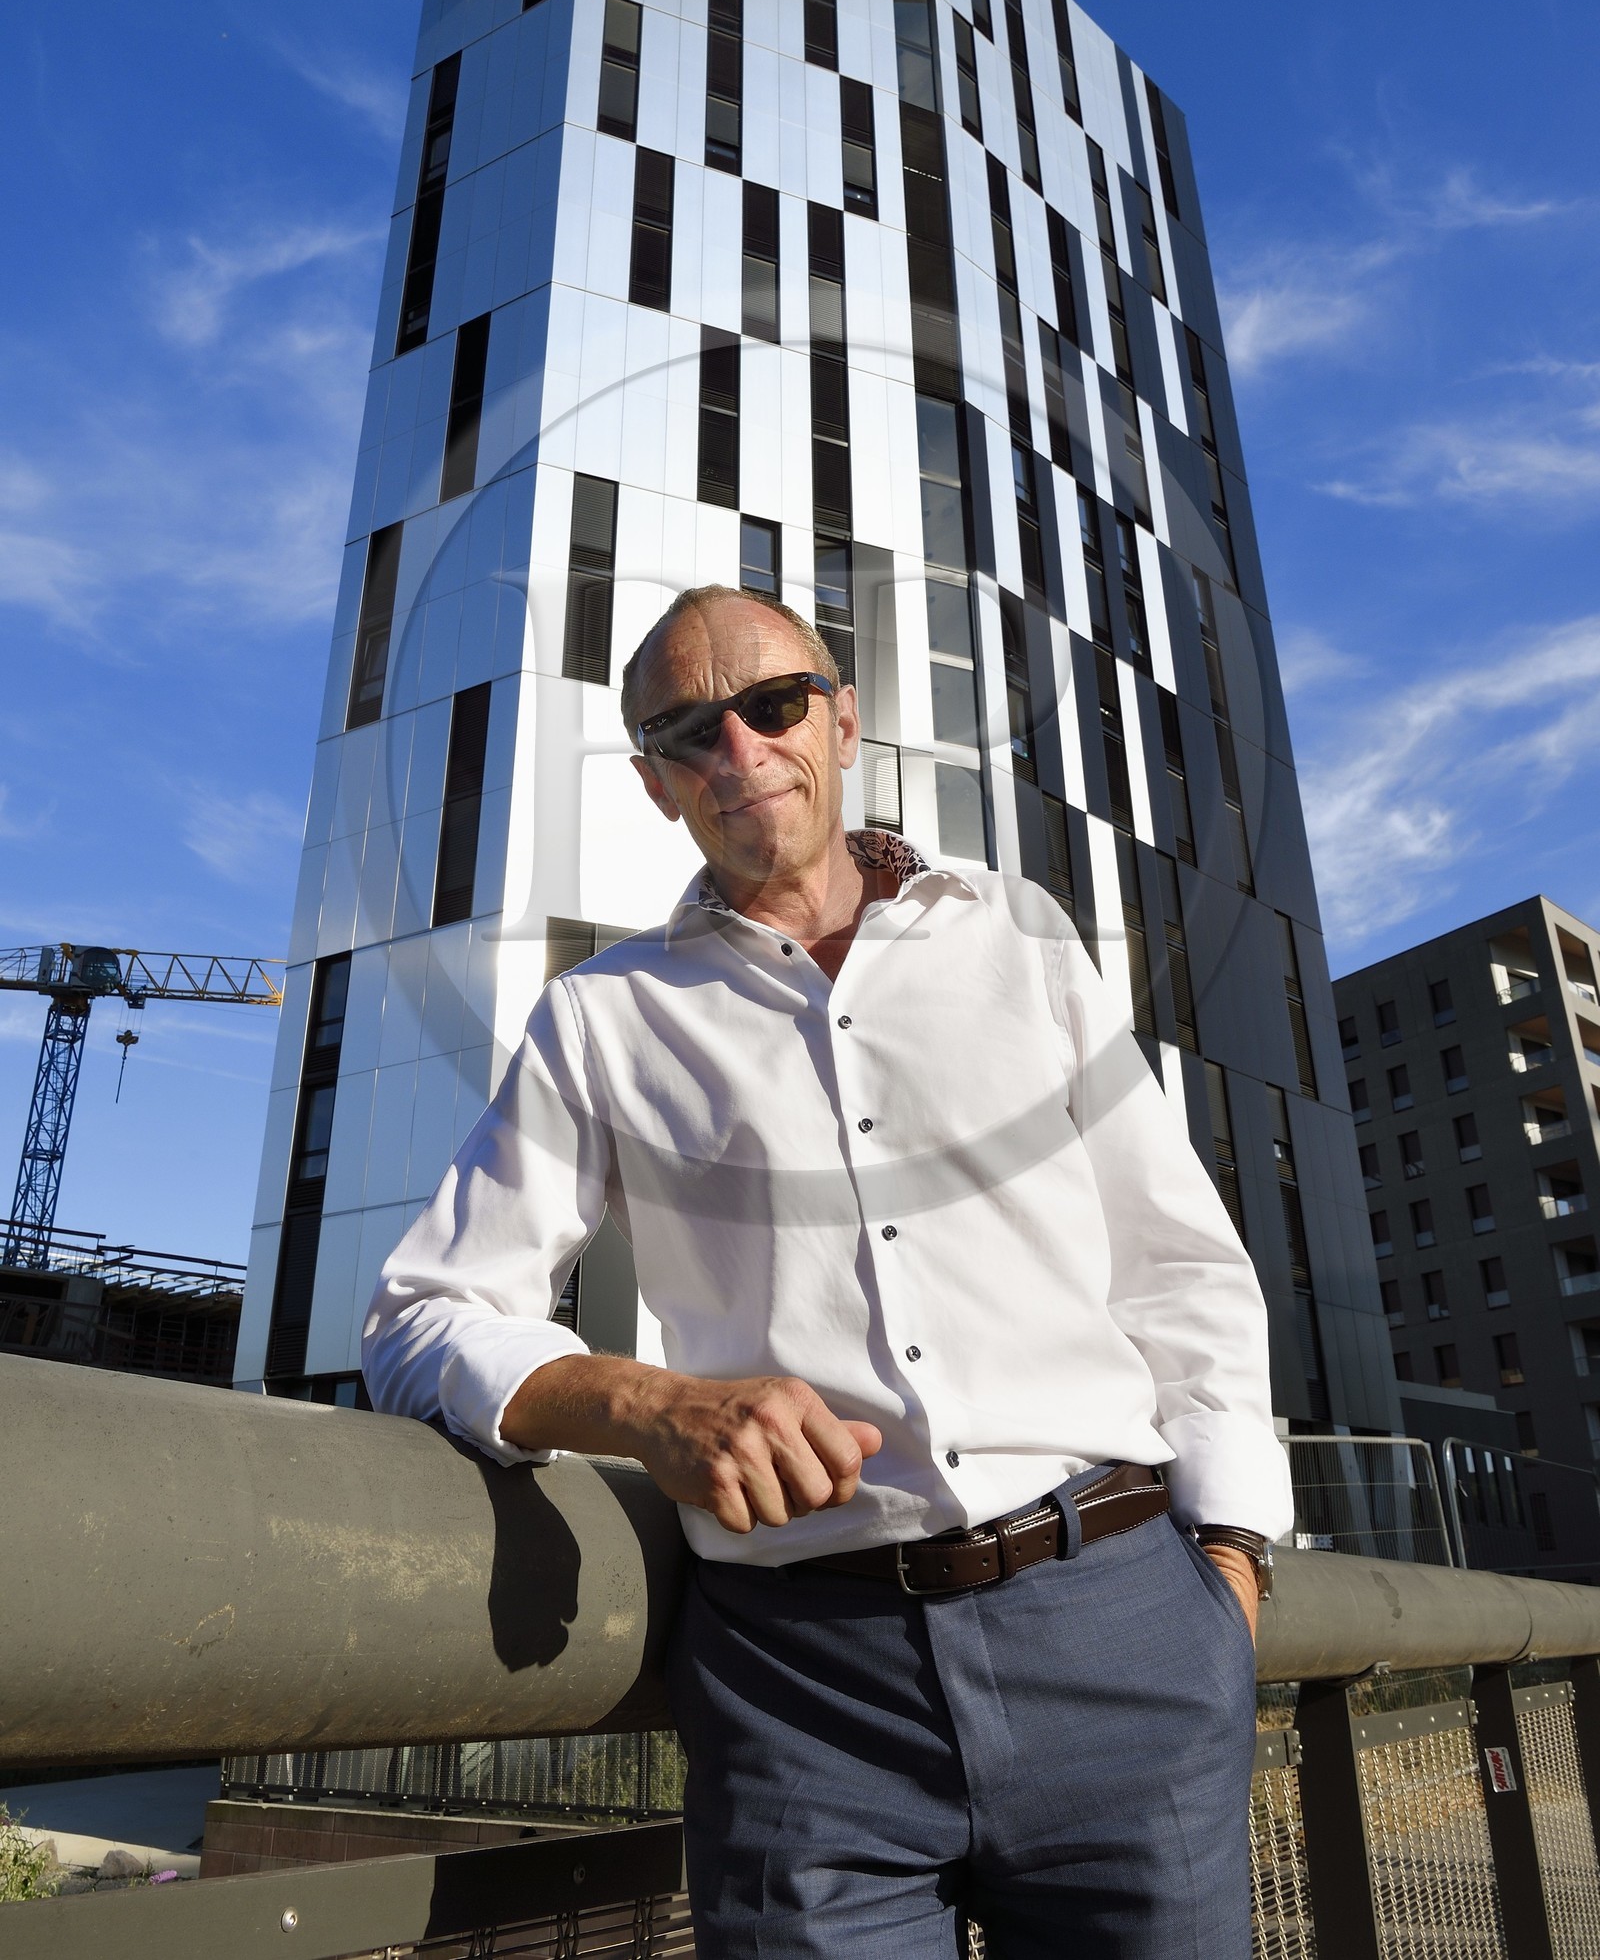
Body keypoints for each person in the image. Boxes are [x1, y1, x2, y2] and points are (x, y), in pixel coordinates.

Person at [364, 583, 1294, 1956]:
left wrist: (1228, 1569)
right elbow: (418, 1314)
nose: (737, 748)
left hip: (1121, 1630)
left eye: (772, 702)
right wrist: (644, 1403)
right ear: (654, 782)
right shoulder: (601, 1018)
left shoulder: (1021, 937)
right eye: (688, 730)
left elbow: (1179, 1263)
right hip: (799, 1692)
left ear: (843, 719)